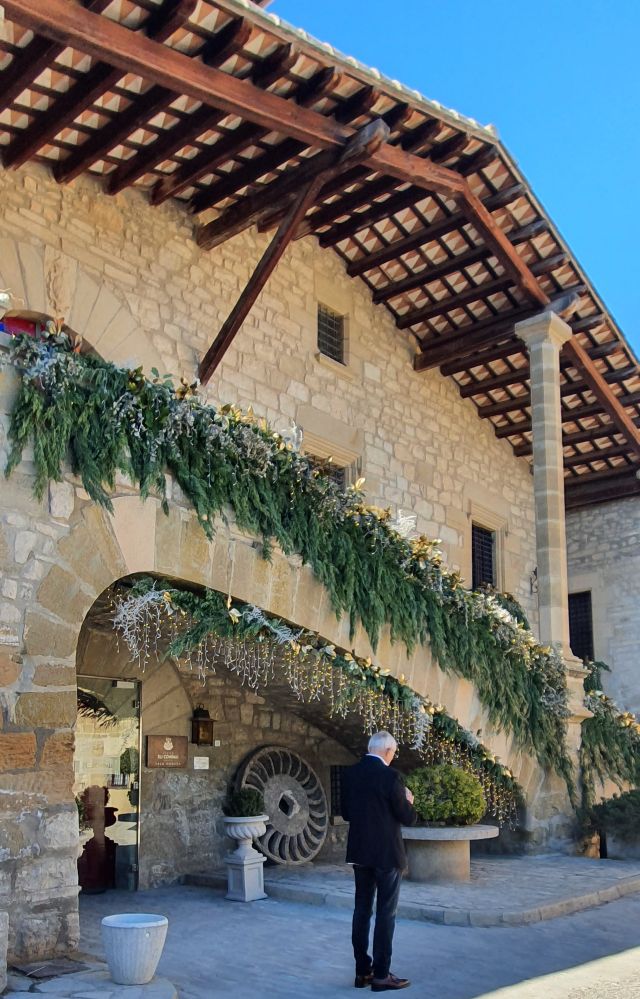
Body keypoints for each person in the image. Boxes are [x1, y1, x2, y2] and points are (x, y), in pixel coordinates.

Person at [340, 731, 418, 992]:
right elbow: (407, 817)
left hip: (360, 853)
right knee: (386, 913)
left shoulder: (350, 774)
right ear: (387, 751)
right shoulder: (391, 777)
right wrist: (409, 801)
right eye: (393, 753)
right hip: (387, 854)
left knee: (361, 910)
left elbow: (347, 813)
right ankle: (382, 975)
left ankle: (362, 971)